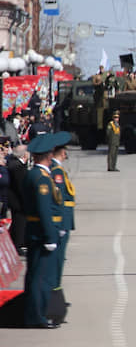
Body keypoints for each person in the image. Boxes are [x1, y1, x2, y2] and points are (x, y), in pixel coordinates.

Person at [22, 133, 66, 328]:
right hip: (41, 233)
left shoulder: (33, 174)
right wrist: (50, 235)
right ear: (48, 155)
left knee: (35, 275)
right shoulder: (41, 178)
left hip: (35, 230)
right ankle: (38, 316)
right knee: (41, 278)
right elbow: (43, 209)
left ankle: (34, 313)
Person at [48, 132, 74, 298]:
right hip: (61, 221)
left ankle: (55, 292)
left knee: (59, 259)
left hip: (63, 220)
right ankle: (54, 294)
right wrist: (62, 224)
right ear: (62, 153)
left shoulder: (57, 170)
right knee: (57, 260)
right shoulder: (56, 172)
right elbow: (59, 200)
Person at [6, 142, 29, 254]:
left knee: (17, 222)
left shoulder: (14, 164)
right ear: (24, 155)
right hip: (17, 200)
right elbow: (21, 186)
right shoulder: (18, 167)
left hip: (14, 199)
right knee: (20, 222)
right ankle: (18, 244)